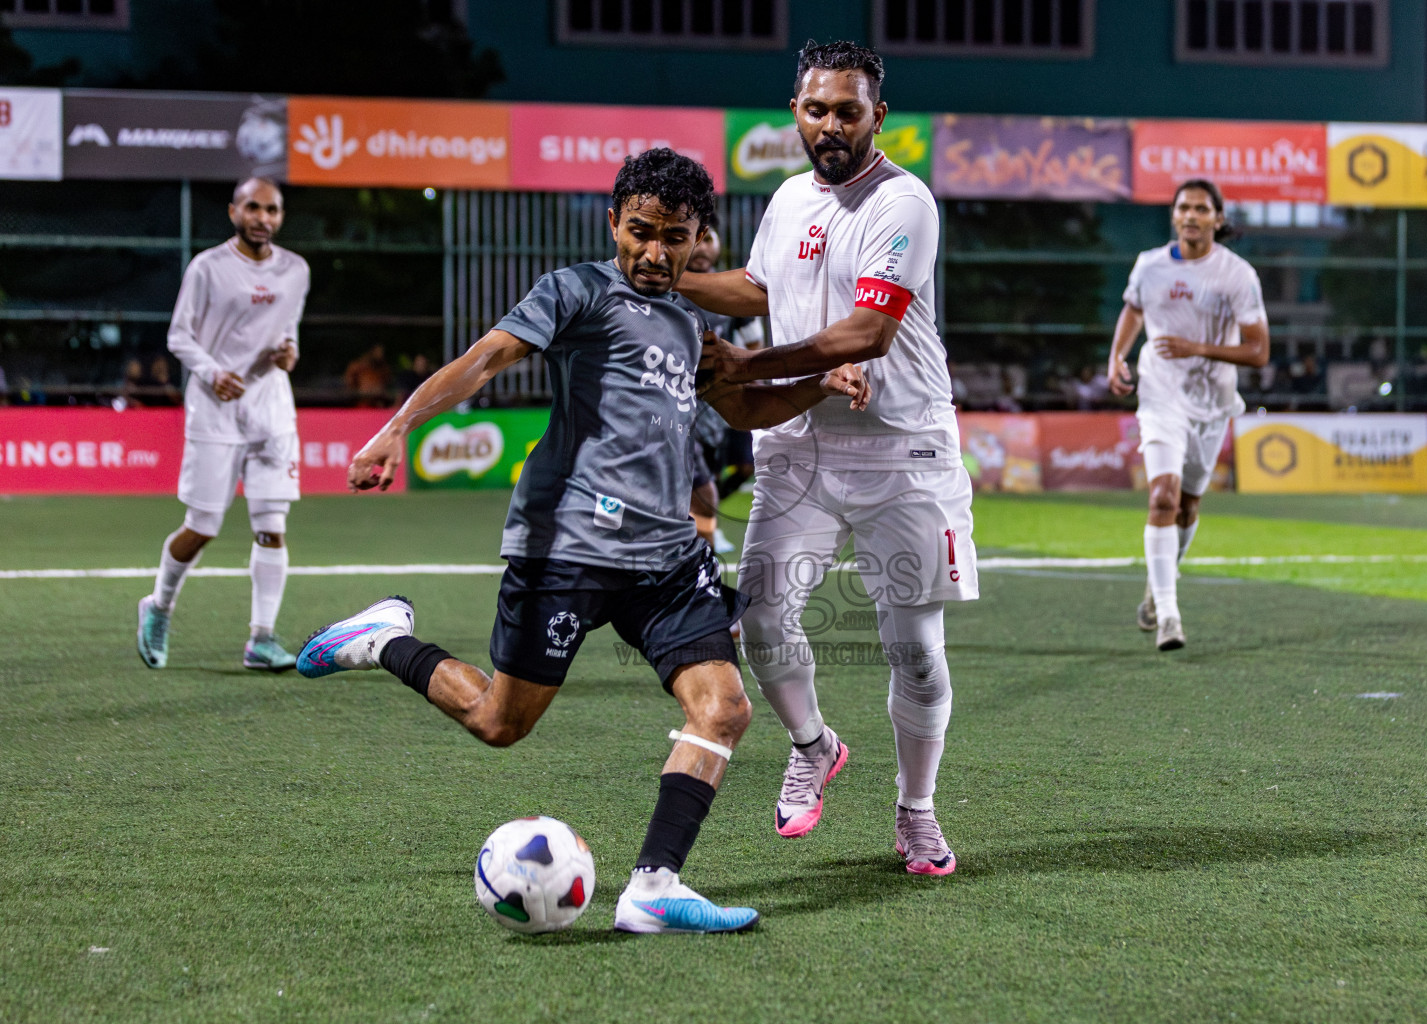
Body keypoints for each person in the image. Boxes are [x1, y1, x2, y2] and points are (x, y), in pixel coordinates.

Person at [294, 148, 869, 934]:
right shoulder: (575, 291)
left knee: (724, 709)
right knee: (501, 722)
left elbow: (743, 410)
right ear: (614, 223)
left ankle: (653, 886)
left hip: (666, 559)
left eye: (675, 237)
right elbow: (485, 359)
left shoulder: (692, 324)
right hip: (565, 545)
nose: (655, 253)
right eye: (640, 232)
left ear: (700, 238)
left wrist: (819, 383)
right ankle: (381, 639)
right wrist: (399, 426)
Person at [678, 40, 978, 876]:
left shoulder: (904, 202)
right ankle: (814, 745)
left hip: (902, 450)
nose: (832, 125)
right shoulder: (786, 199)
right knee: (764, 617)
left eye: (849, 110)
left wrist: (747, 366)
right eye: (817, 109)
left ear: (879, 116)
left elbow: (869, 332)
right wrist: (671, 279)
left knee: (913, 647)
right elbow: (760, 289)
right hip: (799, 444)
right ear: (796, 112)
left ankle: (916, 809)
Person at [136, 177, 310, 672]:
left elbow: (287, 330)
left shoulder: (296, 270)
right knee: (203, 525)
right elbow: (178, 335)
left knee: (272, 527)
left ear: (280, 216)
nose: (263, 218)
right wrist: (213, 374)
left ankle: (261, 639)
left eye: (272, 210)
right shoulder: (208, 268)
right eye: (253, 208)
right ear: (234, 211)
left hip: (272, 411)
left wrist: (288, 353)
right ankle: (159, 606)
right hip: (215, 411)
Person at [1106, 178, 1270, 651]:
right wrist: (1117, 355)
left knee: (1189, 505)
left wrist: (1196, 347)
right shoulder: (1149, 265)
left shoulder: (1237, 275)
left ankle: (1161, 582)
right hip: (1160, 397)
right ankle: (1169, 617)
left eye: (1202, 209)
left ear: (1217, 218)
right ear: (1174, 215)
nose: (1191, 215)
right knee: (1162, 497)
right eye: (1184, 208)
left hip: (1212, 404)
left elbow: (1259, 352)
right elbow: (1134, 309)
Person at [684, 220, 764, 551]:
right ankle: (699, 530)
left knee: (737, 468)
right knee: (694, 478)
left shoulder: (733, 291)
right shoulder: (665, 289)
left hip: (724, 399)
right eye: (694, 240)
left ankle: (704, 523)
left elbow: (755, 348)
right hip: (680, 405)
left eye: (709, 239)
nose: (702, 247)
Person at [344, 343, 392, 407]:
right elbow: (349, 384)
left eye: (381, 352)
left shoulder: (383, 368)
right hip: (362, 402)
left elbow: (387, 383)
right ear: (371, 351)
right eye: (377, 351)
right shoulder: (358, 366)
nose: (380, 354)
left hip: (378, 403)